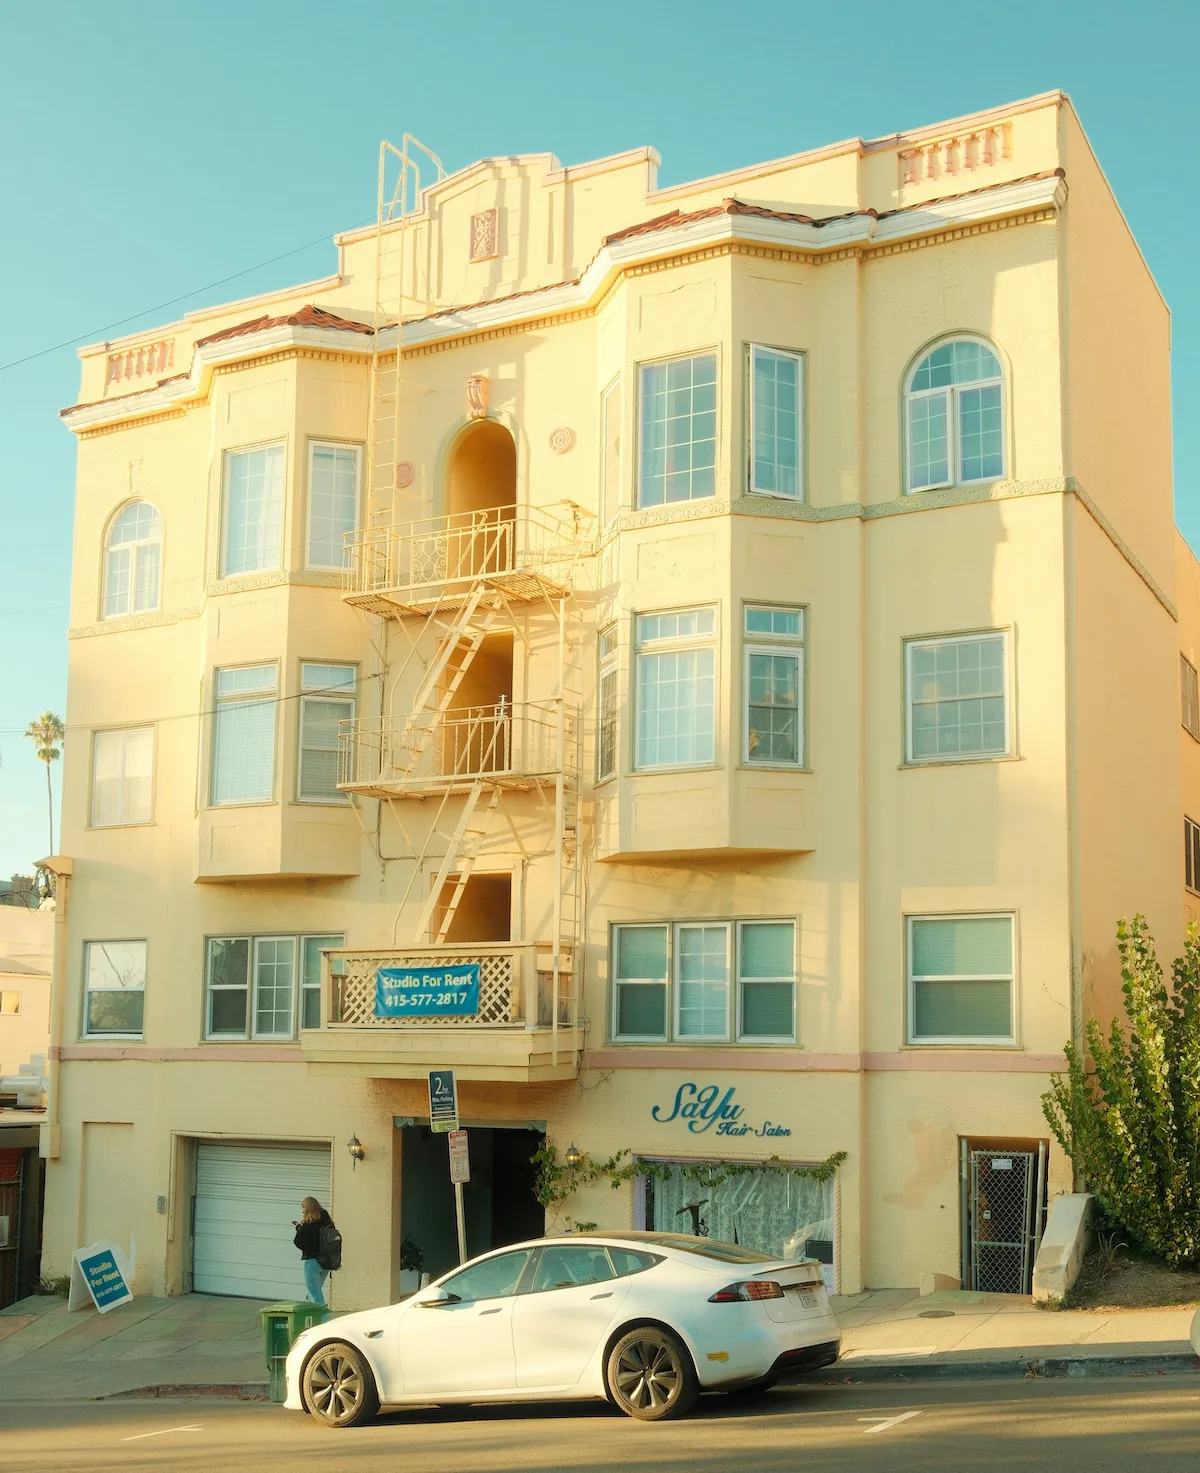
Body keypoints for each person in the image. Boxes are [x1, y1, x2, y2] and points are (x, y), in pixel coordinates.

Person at [293, 1196, 336, 1307]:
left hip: (312, 1262)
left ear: (307, 1208)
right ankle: (310, 1315)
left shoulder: (309, 1224)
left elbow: (300, 1243)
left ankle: (322, 1320)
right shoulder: (327, 1222)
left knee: (315, 1295)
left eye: (303, 1208)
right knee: (313, 1292)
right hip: (326, 1262)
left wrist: (299, 1230)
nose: (302, 1211)